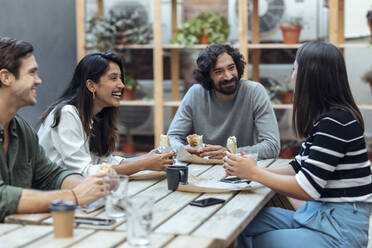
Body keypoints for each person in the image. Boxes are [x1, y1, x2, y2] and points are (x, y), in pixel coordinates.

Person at [224, 41, 372, 248]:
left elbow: (307, 189)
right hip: (318, 217)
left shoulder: (335, 123)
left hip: (338, 231)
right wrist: (250, 169)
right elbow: (298, 167)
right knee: (238, 223)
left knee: (252, 241)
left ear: (310, 76)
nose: (292, 76)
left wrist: (254, 174)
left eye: (295, 68)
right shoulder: (327, 119)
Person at [0, 37, 108, 222]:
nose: (39, 81)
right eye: (32, 73)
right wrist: (74, 196)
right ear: (6, 77)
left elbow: (51, 175)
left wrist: (90, 187)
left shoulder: (21, 130)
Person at [38, 52, 175, 176]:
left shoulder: (96, 115)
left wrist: (147, 158)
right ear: (91, 85)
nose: (121, 85)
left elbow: (105, 162)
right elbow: (83, 172)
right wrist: (144, 164)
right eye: (113, 78)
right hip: (55, 197)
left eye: (121, 78)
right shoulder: (67, 114)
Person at [167, 43, 280, 160]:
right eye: (219, 71)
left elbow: (272, 146)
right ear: (208, 76)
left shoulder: (254, 92)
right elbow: (172, 139)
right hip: (202, 167)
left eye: (231, 68)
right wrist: (186, 150)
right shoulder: (195, 93)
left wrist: (230, 153)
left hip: (241, 167)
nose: (228, 76)